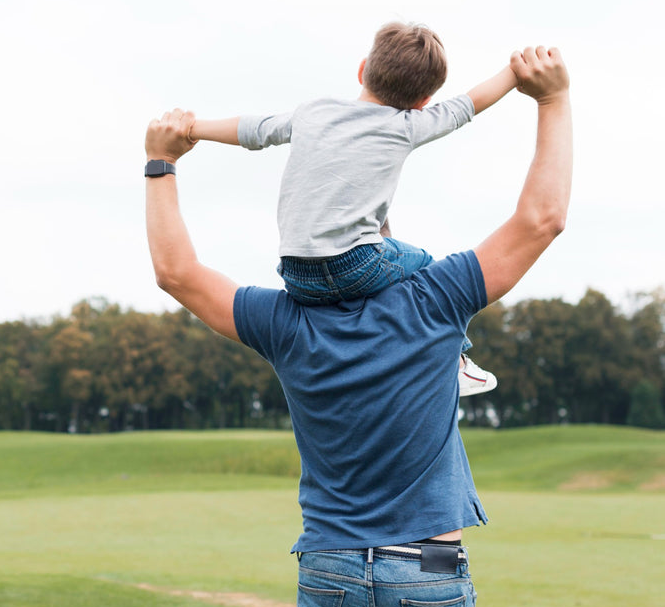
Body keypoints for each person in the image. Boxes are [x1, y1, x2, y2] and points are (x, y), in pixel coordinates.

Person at [143, 45, 571, 607]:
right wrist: (550, 100)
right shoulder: (436, 299)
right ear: (381, 237)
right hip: (429, 566)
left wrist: (160, 162)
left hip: (331, 566)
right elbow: (541, 218)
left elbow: (177, 272)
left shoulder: (284, 322)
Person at [189, 22, 520, 396]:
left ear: (363, 69)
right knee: (425, 264)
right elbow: (467, 105)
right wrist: (514, 72)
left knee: (385, 237)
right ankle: (457, 363)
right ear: (423, 102)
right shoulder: (408, 125)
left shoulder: (313, 112)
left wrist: (192, 129)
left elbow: (254, 130)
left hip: (296, 275)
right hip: (355, 266)